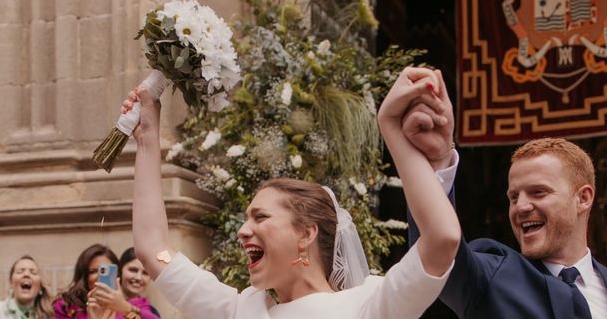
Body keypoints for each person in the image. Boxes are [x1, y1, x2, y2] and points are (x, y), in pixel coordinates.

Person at [123, 66, 461, 318]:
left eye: (261, 217)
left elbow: (442, 238)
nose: (243, 231)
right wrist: (148, 137)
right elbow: (157, 252)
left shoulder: (368, 305)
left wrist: (391, 128)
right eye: (245, 219)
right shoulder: (240, 311)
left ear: (306, 233)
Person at [401, 67, 607, 318]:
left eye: (538, 192)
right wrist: (437, 161)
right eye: (513, 197)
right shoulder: (491, 275)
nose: (521, 207)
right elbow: (439, 254)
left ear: (583, 198)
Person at [86, 248, 159, 318]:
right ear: (120, 270)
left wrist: (125, 308)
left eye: (145, 273)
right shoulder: (94, 305)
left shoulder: (150, 312)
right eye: (133, 270)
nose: (138, 277)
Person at [53, 244, 119, 319]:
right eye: (93, 271)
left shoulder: (127, 307)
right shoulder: (65, 307)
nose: (100, 276)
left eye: (105, 271)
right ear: (83, 276)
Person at [0, 255, 53, 319]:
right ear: (11, 282)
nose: (26, 274)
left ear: (40, 286)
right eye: (20, 271)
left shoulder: (51, 315)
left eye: (33, 272)